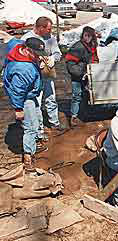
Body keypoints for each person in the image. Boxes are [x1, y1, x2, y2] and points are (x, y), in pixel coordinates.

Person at [3, 38, 48, 171]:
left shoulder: (18, 48)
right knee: (30, 127)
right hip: (24, 97)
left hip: (28, 93)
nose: (39, 56)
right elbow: (18, 91)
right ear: (27, 50)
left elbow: (13, 40)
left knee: (36, 117)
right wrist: (18, 108)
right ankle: (28, 157)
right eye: (37, 53)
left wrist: (37, 60)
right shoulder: (25, 69)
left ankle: (34, 143)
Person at [21, 16, 65, 136]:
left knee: (51, 98)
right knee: (36, 103)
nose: (50, 32)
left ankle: (54, 123)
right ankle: (39, 130)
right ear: (40, 28)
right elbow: (21, 58)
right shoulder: (26, 39)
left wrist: (52, 58)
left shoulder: (50, 38)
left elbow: (57, 53)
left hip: (47, 73)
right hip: (34, 77)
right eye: (48, 29)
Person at [65, 26, 99, 128]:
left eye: (90, 36)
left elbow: (94, 59)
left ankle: (84, 114)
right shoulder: (78, 47)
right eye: (85, 35)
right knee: (77, 95)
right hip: (78, 76)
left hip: (88, 74)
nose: (87, 38)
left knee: (86, 94)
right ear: (82, 35)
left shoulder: (92, 46)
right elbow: (70, 64)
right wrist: (81, 73)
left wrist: (94, 67)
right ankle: (74, 116)